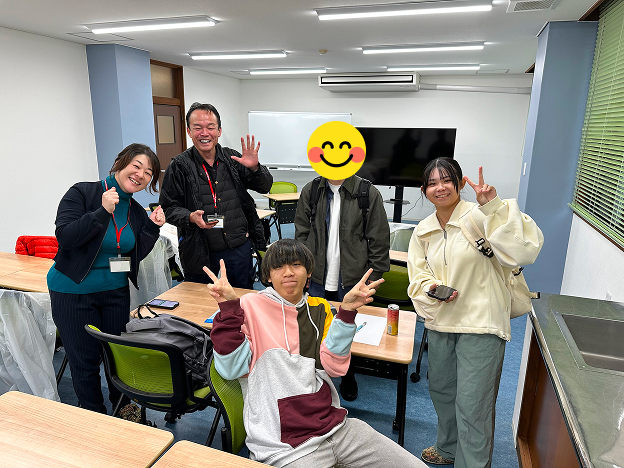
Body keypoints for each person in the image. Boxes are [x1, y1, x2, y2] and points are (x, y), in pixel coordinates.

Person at [208, 239, 426, 468]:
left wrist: (346, 313)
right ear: (268, 276)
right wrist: (229, 311)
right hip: (284, 445)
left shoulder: (321, 308)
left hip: (336, 428)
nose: (288, 272)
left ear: (309, 272)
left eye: (296, 265)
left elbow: (334, 367)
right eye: (279, 267)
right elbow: (231, 368)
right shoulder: (248, 305)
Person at [407, 157, 543, 467]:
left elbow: (525, 249)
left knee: (473, 406)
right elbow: (417, 275)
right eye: (432, 183)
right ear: (424, 190)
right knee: (442, 393)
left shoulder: (480, 215)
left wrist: (494, 206)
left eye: (447, 180)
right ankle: (448, 448)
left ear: (459, 183)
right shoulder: (424, 231)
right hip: (441, 322)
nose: (440, 188)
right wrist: (431, 288)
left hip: (482, 325)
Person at [47, 143, 166, 414]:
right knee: (85, 360)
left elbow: (133, 254)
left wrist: (152, 227)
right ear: (120, 163)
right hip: (73, 291)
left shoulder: (135, 211)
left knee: (117, 356)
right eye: (136, 166)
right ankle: (95, 418)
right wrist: (101, 212)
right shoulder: (83, 192)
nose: (140, 175)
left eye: (148, 173)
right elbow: (66, 238)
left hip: (115, 291)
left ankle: (124, 410)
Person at [294, 174, 390, 401]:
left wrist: (373, 277)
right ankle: (313, 374)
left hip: (352, 278)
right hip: (316, 275)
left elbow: (379, 238)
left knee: (348, 327)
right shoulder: (311, 190)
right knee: (314, 326)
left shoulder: (367, 192)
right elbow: (301, 234)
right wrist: (301, 270)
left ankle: (348, 374)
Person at [159, 102, 273, 288]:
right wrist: (190, 217)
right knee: (200, 300)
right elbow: (168, 207)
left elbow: (265, 187)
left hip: (238, 246)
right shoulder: (179, 166)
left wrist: (255, 168)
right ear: (189, 131)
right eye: (198, 127)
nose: (205, 133)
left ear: (219, 131)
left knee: (240, 297)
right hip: (199, 250)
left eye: (210, 127)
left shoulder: (232, 159)